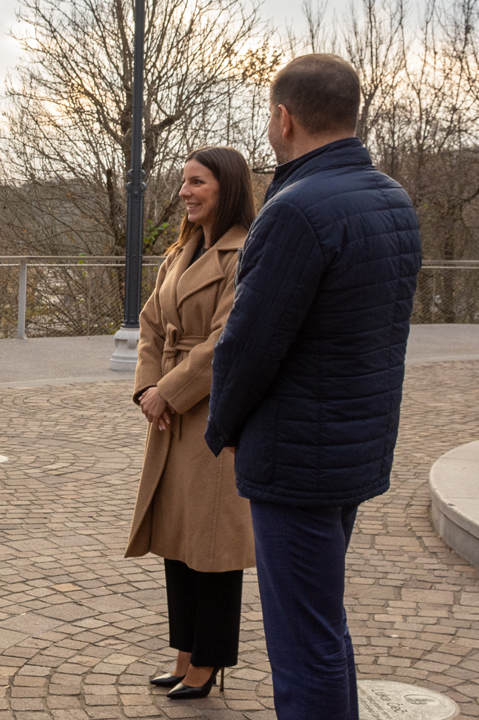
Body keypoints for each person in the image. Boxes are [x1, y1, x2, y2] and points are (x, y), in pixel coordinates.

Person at [205, 54, 422, 719]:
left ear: (283, 118)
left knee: (303, 645)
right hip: (353, 447)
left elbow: (248, 344)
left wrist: (224, 428)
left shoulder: (295, 211)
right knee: (321, 626)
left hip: (297, 456)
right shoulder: (391, 198)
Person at [125, 146, 256, 699]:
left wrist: (170, 393)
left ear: (225, 188)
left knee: (213, 546)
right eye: (183, 182)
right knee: (178, 541)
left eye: (197, 182)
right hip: (171, 416)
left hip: (212, 417)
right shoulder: (183, 249)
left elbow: (230, 339)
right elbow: (151, 323)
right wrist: (148, 390)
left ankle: (209, 662)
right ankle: (184, 653)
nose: (184, 192)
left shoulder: (243, 252)